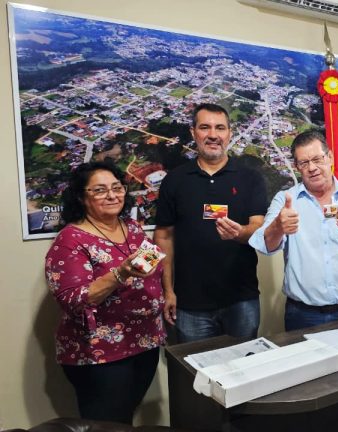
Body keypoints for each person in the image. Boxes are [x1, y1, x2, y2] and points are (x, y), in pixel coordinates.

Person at [44, 161, 165, 424]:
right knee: (106, 424)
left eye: (116, 187)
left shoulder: (131, 227)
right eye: (99, 190)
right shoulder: (70, 240)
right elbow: (72, 300)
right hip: (101, 352)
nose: (112, 195)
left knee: (124, 418)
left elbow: (151, 263)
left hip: (144, 341)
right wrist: (121, 273)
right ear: (81, 197)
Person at [250, 130, 338, 331]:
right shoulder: (285, 200)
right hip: (303, 315)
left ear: (329, 157)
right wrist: (278, 227)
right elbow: (263, 245)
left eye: (317, 159)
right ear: (297, 167)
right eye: (304, 163)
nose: (312, 168)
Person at [153, 103, 268, 343]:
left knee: (244, 370)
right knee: (195, 376)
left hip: (241, 298)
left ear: (229, 133)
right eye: (205, 127)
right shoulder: (175, 180)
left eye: (220, 128)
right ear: (193, 132)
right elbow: (163, 237)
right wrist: (168, 291)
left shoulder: (250, 177)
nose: (213, 135)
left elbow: (258, 227)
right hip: (189, 303)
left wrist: (240, 233)